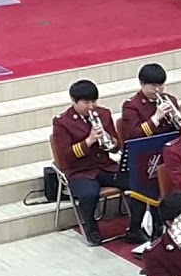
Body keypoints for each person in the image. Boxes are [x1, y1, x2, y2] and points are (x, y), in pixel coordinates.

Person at [51, 80, 146, 246]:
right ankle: (91, 227)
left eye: (93, 101)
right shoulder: (62, 122)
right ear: (74, 101)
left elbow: (116, 146)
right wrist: (89, 141)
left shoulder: (103, 114)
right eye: (86, 102)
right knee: (89, 195)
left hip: (105, 166)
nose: (91, 106)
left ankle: (135, 228)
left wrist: (108, 140)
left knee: (139, 182)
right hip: (80, 171)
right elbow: (65, 155)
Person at [120, 63, 181, 141]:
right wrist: (156, 118)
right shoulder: (131, 106)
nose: (157, 89)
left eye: (160, 85)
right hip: (147, 148)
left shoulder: (170, 99)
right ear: (142, 84)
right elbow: (134, 135)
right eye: (153, 86)